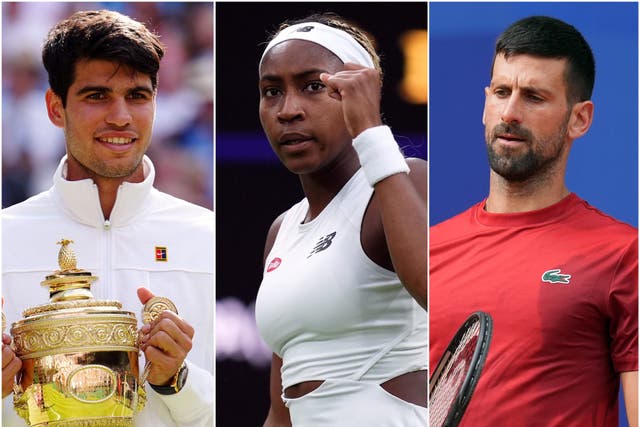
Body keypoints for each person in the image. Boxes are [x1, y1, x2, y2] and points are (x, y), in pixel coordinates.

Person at [1, 10, 213, 426]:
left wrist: (178, 381)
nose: (121, 117)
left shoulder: (208, 236)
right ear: (55, 107)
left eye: (137, 95)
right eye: (97, 95)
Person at [429, 15, 638, 426]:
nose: (510, 112)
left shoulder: (624, 256)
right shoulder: (428, 249)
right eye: (502, 92)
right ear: (485, 103)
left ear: (579, 119)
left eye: (534, 97)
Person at [253, 12, 427, 426]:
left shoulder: (410, 179)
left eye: (314, 86)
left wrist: (369, 127)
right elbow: (281, 408)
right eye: (271, 91)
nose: (288, 109)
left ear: (359, 91)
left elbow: (439, 293)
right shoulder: (282, 230)